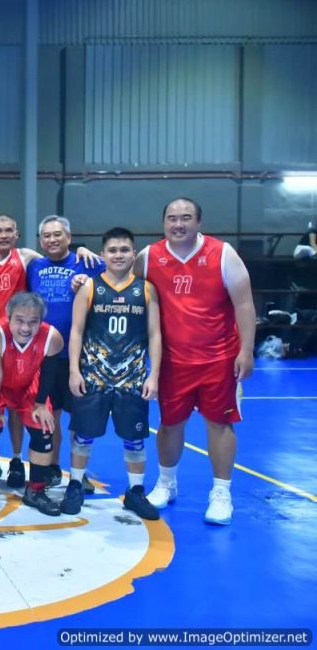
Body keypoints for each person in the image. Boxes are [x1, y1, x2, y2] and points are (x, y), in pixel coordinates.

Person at [137, 198, 255, 526]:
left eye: (186, 218)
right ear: (164, 222)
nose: (178, 224)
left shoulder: (223, 254)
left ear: (198, 222)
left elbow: (244, 304)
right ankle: (166, 483)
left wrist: (246, 350)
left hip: (219, 358)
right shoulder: (148, 257)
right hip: (172, 362)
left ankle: (221, 492)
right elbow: (121, 287)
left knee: (220, 423)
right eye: (172, 218)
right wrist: (82, 277)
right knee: (170, 423)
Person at [0, 214, 99, 490]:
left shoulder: (28, 258)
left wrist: (83, 250)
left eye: (9, 230)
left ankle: (62, 471)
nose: (4, 235)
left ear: (17, 234)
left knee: (54, 416)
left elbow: (102, 266)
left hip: (42, 347)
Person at [62, 228, 161, 519]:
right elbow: (76, 331)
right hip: (94, 375)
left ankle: (136, 491)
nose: (118, 255)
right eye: (113, 250)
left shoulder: (146, 289)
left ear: (134, 254)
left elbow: (155, 334)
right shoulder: (89, 287)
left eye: (124, 250)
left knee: (135, 438)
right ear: (102, 254)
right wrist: (74, 371)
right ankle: (75, 485)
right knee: (83, 435)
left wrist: (154, 375)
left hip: (132, 378)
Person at [0, 292, 65, 518]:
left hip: (28, 381)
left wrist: (40, 405)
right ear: (8, 317)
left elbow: (49, 374)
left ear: (41, 321)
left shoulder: (53, 338)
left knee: (44, 429)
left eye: (33, 322)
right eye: (19, 320)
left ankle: (36, 490)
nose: (25, 328)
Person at [26, 215, 104, 487]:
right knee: (51, 415)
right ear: (40, 241)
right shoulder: (34, 266)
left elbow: (117, 274)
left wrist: (88, 256)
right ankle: (53, 467)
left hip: (80, 356)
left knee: (79, 418)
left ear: (69, 237)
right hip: (45, 357)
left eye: (57, 234)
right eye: (46, 236)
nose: (52, 240)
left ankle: (79, 474)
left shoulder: (88, 263)